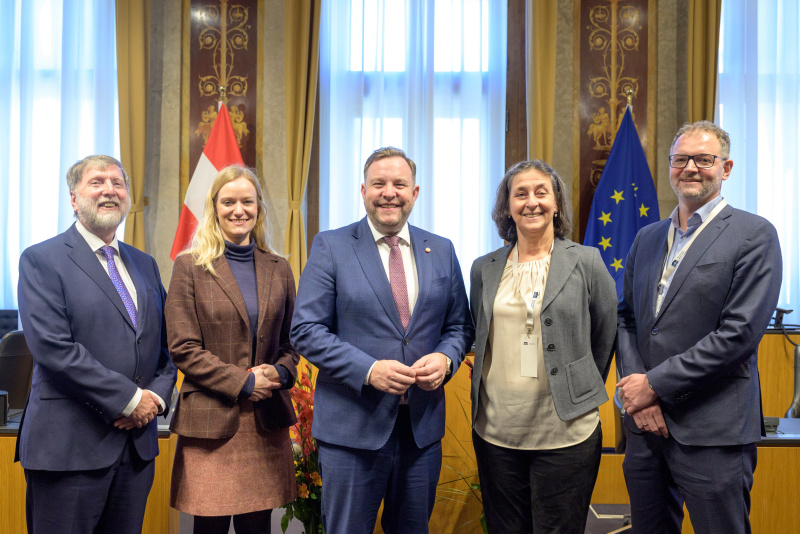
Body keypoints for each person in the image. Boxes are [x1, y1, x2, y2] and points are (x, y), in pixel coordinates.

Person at [290, 147, 475, 534]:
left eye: (399, 184)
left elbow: (459, 327)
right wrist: (369, 370)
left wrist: (445, 359)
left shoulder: (441, 249)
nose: (389, 192)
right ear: (363, 190)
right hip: (351, 431)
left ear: (415, 192)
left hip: (420, 432)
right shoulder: (331, 246)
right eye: (379, 183)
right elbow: (306, 330)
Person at [616, 121, 783, 533]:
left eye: (703, 159)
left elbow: (738, 335)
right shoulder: (647, 238)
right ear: (670, 166)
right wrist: (641, 393)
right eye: (681, 159)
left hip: (713, 432)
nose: (690, 168)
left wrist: (652, 385)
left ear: (725, 168)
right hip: (645, 429)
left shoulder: (754, 235)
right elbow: (628, 319)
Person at [16, 155, 177, 533]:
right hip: (68, 449)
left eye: (117, 183)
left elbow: (165, 351)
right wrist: (130, 399)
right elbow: (54, 349)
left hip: (135, 450)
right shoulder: (42, 259)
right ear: (73, 198)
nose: (109, 190)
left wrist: (154, 399)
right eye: (97, 182)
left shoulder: (145, 264)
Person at [469, 160, 617, 533]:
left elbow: (604, 335)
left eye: (541, 192)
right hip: (496, 432)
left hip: (568, 432)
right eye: (520, 194)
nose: (531, 202)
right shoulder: (483, 268)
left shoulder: (587, 262)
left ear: (556, 204)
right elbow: (479, 331)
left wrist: (577, 386)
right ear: (507, 206)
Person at [166, 165, 300, 534]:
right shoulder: (189, 266)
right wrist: (243, 382)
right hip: (211, 421)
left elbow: (292, 342)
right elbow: (183, 347)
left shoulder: (280, 268)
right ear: (214, 207)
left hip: (263, 420)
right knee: (208, 528)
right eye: (229, 202)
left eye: (247, 201)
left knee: (257, 527)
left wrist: (280, 372)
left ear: (259, 208)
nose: (238, 210)